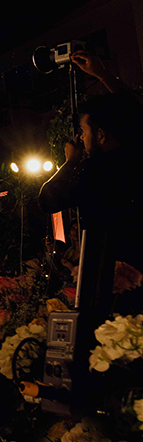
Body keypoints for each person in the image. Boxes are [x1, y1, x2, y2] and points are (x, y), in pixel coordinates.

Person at [40, 92, 143, 314]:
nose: (81, 138)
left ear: (101, 135)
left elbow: (48, 199)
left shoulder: (95, 170)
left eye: (84, 132)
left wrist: (70, 162)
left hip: (108, 275)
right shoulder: (136, 158)